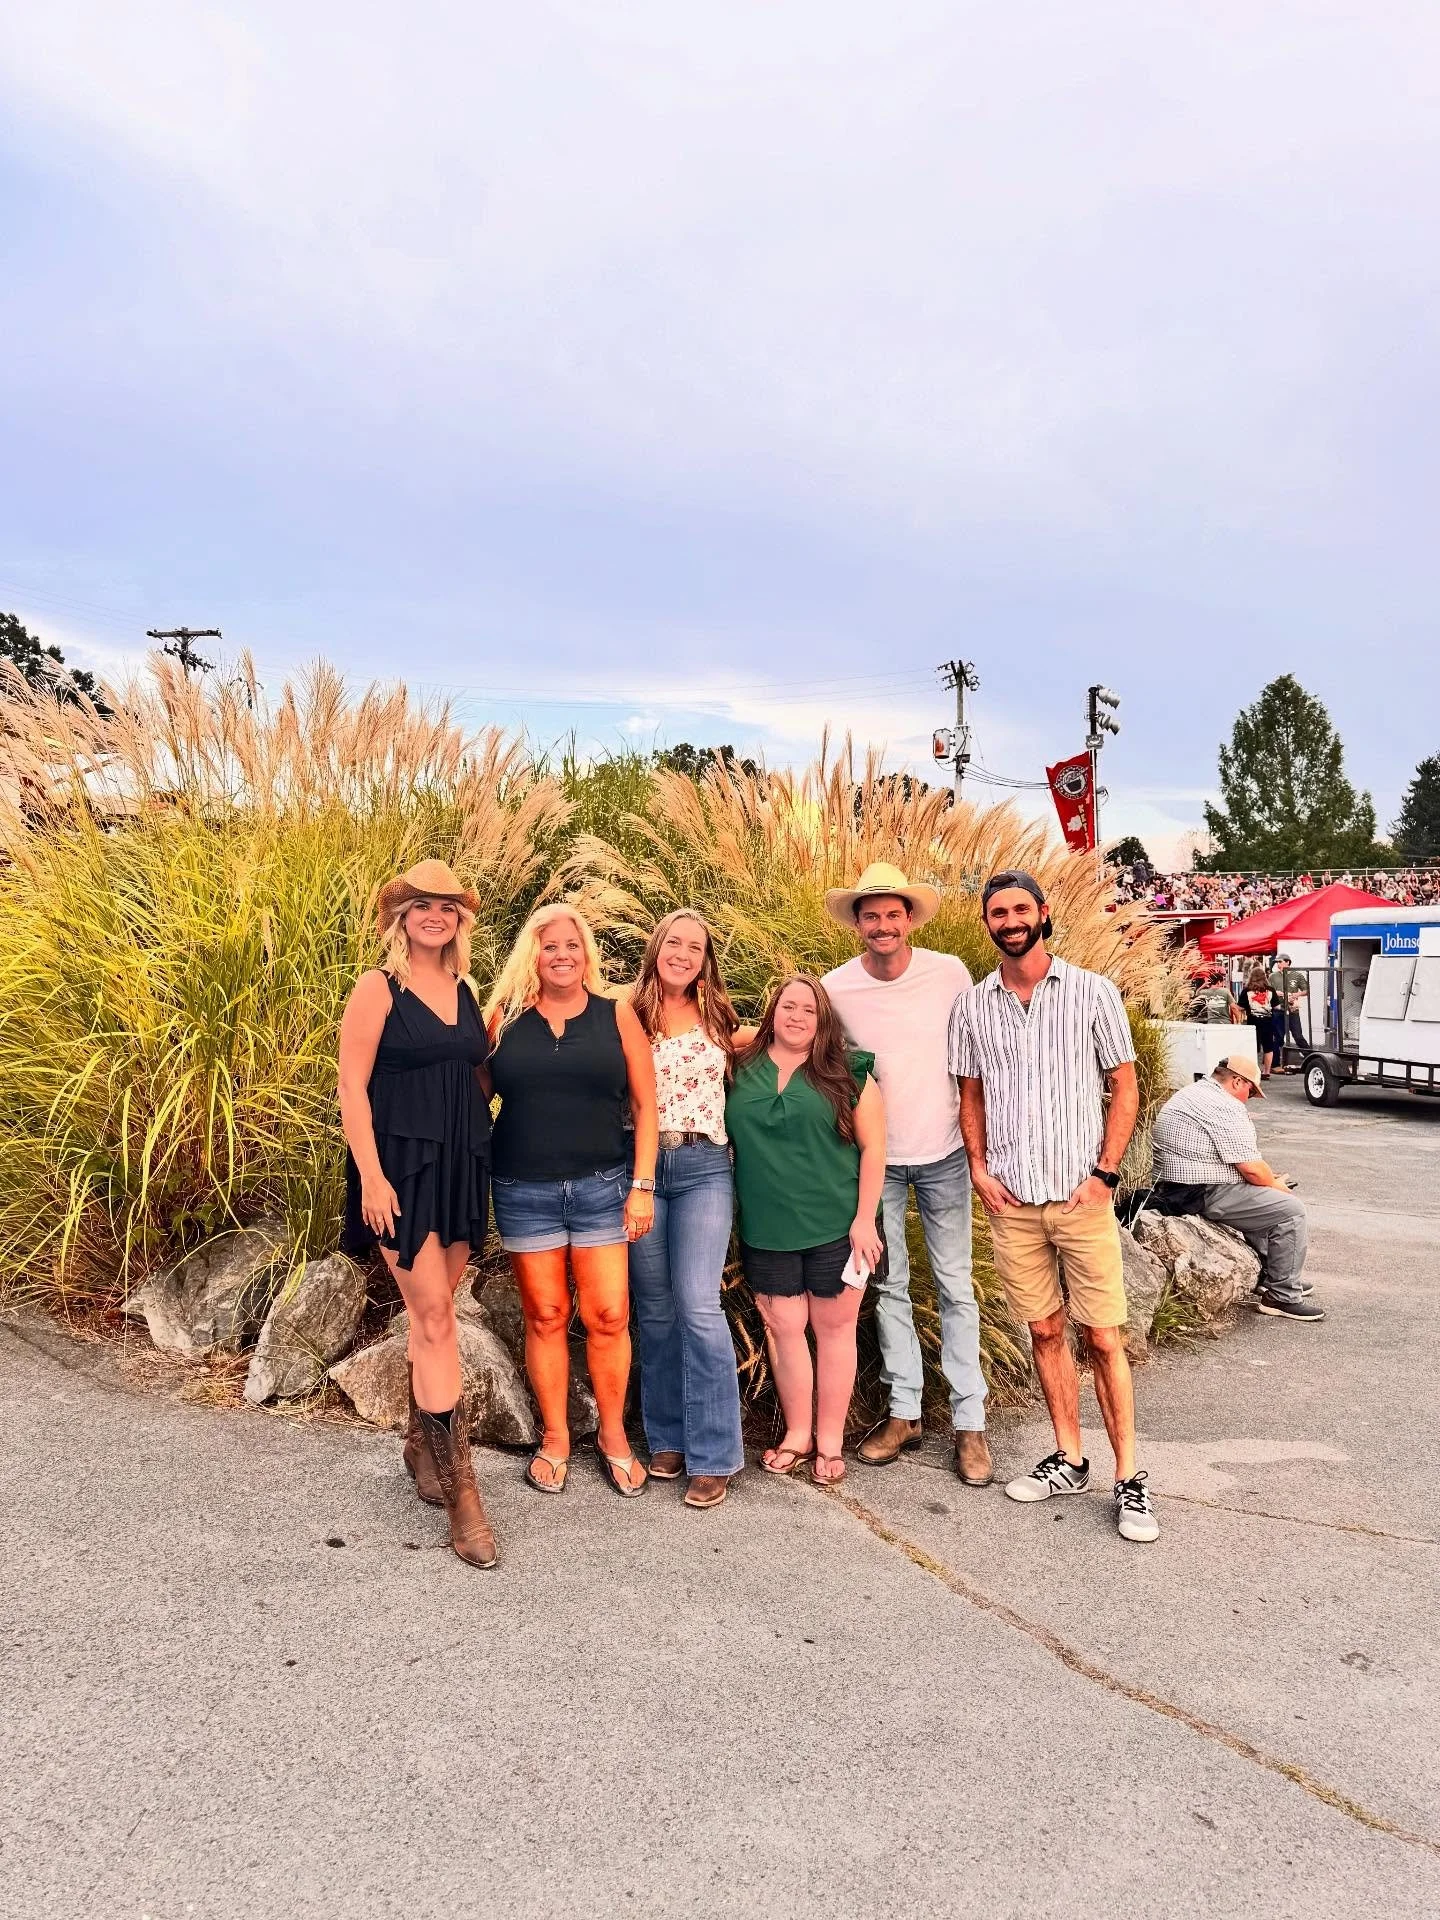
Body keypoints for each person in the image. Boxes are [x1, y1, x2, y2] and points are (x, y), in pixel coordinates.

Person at [950, 870, 1158, 1544]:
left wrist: (1105, 1174)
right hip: (1013, 1201)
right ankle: (1069, 1457)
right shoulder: (972, 1005)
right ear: (987, 923)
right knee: (1044, 1331)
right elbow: (971, 1094)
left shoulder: (1092, 992)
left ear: (1042, 914)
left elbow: (1124, 1085)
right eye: (998, 913)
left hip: (1080, 1196)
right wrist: (979, 1168)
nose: (1010, 921)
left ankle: (1129, 1477)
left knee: (1102, 1337)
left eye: (1020, 909)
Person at [338, 859, 498, 1569]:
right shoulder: (378, 987)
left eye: (447, 906)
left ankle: (418, 1443)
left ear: (459, 920)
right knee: (434, 1317)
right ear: (401, 918)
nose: (436, 915)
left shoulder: (466, 989)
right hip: (398, 1170)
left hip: (461, 1164)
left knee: (437, 1312)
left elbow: (473, 1076)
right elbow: (351, 1085)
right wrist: (371, 1178)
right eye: (422, 905)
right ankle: (464, 1493)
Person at [821, 863, 990, 1484]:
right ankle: (905, 1412)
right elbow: (820, 1061)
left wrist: (980, 1145)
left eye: (893, 914)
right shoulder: (836, 988)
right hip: (877, 1163)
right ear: (857, 924)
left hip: (944, 1152)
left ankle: (970, 1422)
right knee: (887, 1285)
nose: (883, 925)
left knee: (955, 1285)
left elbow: (976, 1057)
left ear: (910, 918)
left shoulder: (950, 973)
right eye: (872, 916)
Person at [484, 902, 659, 1498]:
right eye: (549, 945)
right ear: (532, 954)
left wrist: (641, 1187)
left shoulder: (616, 1015)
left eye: (571, 945)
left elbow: (646, 1106)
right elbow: (470, 1092)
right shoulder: (505, 1018)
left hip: (603, 1187)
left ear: (587, 953)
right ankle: (555, 1438)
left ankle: (613, 1436)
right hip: (523, 1188)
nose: (561, 955)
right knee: (546, 1315)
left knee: (608, 1315)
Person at [726, 975, 885, 1487]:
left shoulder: (848, 1074)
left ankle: (830, 1440)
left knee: (835, 1332)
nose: (796, 1017)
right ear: (772, 1012)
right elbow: (701, 1028)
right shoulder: (739, 1065)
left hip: (839, 1226)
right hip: (767, 1228)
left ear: (824, 1021)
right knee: (784, 1330)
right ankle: (798, 1434)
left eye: (809, 1010)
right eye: (787, 1007)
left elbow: (874, 1150)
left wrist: (864, 1220)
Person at [625, 909, 747, 1509]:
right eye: (674, 942)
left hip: (704, 1168)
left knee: (698, 1304)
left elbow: (779, 1036)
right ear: (657, 948)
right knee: (654, 1310)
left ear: (705, 960)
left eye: (695, 947)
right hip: (642, 1172)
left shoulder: (718, 1015)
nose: (682, 954)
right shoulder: (627, 1012)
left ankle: (715, 1453)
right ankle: (668, 1438)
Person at [1152, 1057, 1322, 1321]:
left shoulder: (1194, 1093)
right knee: (1290, 1210)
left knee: (1266, 1196)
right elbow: (1252, 1170)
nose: (1248, 1099)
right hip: (1198, 1192)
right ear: (1237, 1081)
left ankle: (1273, 1275)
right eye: (1251, 1092)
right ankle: (1282, 1295)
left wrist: (1268, 1181)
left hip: (1176, 1187)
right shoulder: (1224, 1105)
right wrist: (1274, 1184)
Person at [1268, 953, 1308, 1070]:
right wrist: (1275, 993)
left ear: (1287, 962)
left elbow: (1306, 990)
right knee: (1278, 1037)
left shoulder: (1297, 975)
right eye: (1277, 962)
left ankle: (1310, 1058)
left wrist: (1296, 995)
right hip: (1278, 1010)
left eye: (1280, 962)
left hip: (1292, 1010)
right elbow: (1266, 991)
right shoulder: (1273, 976)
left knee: (1298, 1036)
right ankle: (1275, 1064)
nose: (1278, 964)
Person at [1238, 963, 1277, 1079]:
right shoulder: (1270, 990)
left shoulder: (1247, 991)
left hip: (1253, 1023)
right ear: (1264, 977)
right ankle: (1266, 1072)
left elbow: (1240, 1007)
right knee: (1268, 1047)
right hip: (1268, 1022)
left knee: (1253, 1047)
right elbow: (1276, 1006)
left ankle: (1253, 1072)